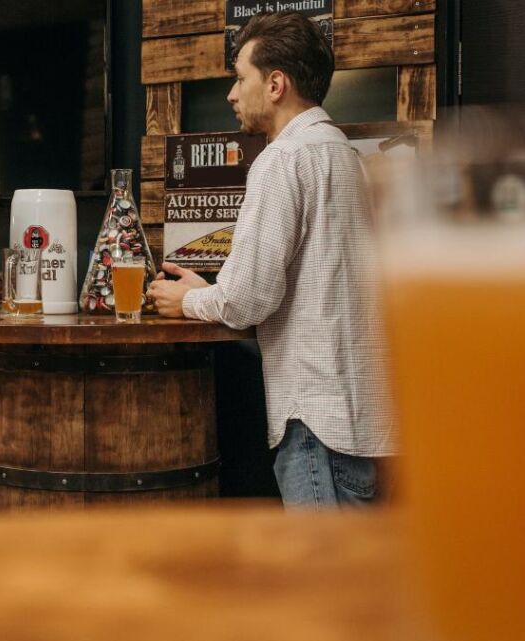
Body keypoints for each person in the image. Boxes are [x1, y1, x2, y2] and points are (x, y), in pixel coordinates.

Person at [146, 11, 394, 508]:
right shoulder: (347, 156)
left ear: (276, 83)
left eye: (240, 78)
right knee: (356, 581)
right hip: (366, 422)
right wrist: (203, 289)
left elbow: (248, 299)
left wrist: (189, 302)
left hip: (315, 421)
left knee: (321, 581)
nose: (232, 95)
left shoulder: (283, 159)